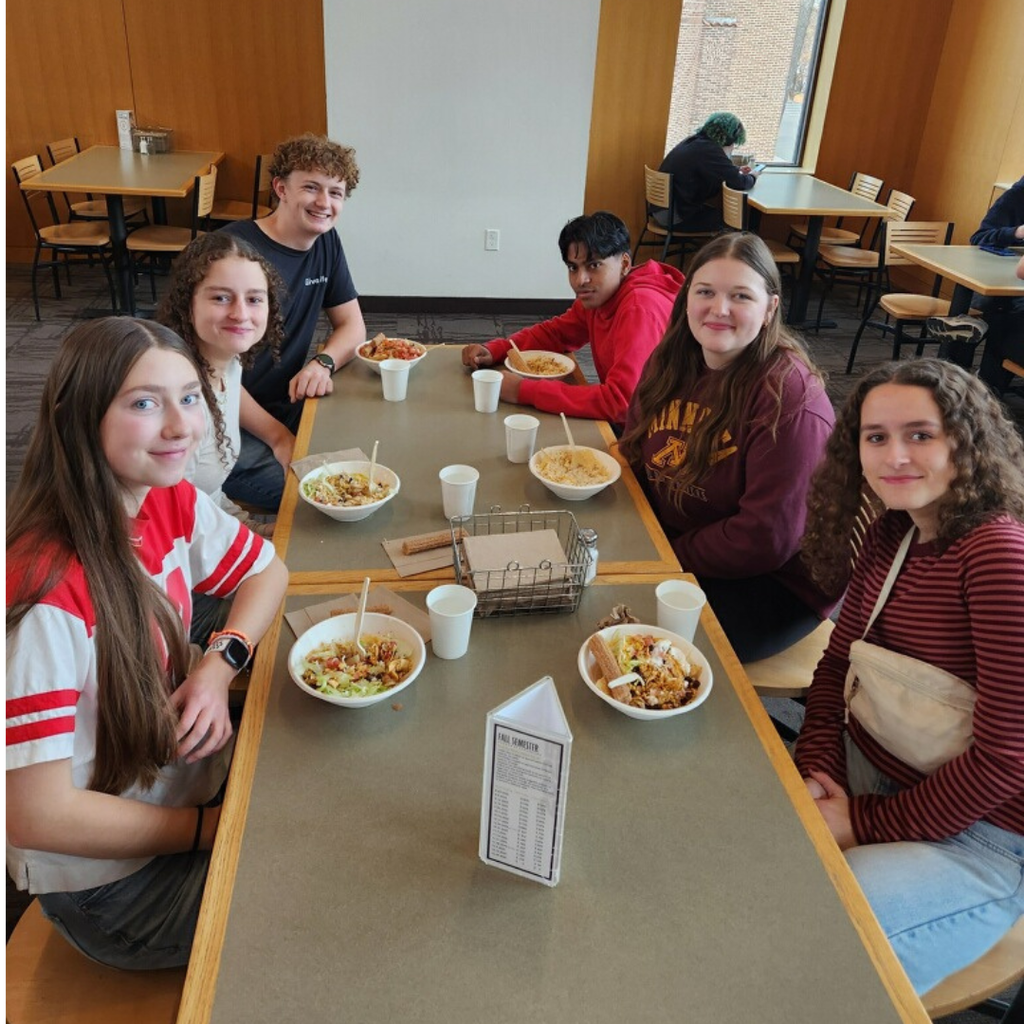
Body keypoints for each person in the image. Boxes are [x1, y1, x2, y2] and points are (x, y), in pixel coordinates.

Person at [6, 318, 289, 969]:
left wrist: (220, 666)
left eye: (189, 397)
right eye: (144, 403)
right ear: (80, 417)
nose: (181, 427)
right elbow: (36, 817)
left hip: (177, 781)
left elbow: (268, 571)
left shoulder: (162, 495)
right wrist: (206, 832)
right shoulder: (43, 593)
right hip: (114, 888)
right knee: (314, 899)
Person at [796, 358, 1024, 995]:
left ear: (964, 441)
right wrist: (821, 770)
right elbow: (838, 665)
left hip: (981, 834)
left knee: (817, 941)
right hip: (872, 769)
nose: (895, 455)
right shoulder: (894, 530)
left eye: (921, 434)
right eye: (876, 437)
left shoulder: (998, 554)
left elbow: (1007, 762)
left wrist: (859, 824)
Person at [619, 232, 836, 662]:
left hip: (771, 583)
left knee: (635, 646)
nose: (719, 309)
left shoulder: (788, 399)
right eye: (705, 292)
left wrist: (663, 557)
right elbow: (636, 449)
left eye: (740, 295)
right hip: (682, 543)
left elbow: (765, 539)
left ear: (770, 307)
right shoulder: (672, 358)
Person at [220, 133, 367, 510]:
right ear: (281, 188)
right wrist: (280, 437)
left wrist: (324, 361)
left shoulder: (326, 243)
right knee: (315, 499)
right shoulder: (233, 253)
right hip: (222, 416)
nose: (324, 203)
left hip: (283, 401)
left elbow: (353, 326)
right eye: (311, 188)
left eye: (336, 193)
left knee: (365, 467)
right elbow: (209, 373)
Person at [157, 232, 287, 642]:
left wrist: (279, 436)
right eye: (220, 298)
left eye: (254, 298)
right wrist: (251, 542)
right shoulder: (179, 401)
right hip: (177, 591)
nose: (241, 313)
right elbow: (169, 529)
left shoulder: (222, 358)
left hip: (215, 530)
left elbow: (232, 396)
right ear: (188, 302)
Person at [461, 212, 683, 427]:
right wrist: (496, 349)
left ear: (625, 264)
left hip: (662, 432)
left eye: (594, 265)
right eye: (572, 268)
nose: (580, 280)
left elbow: (622, 402)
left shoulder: (640, 308)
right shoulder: (600, 295)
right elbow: (557, 333)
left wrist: (523, 391)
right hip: (636, 420)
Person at [927, 175, 1024, 389]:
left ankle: (977, 384)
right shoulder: (1016, 197)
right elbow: (980, 237)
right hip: (1000, 289)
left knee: (1004, 324)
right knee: (1002, 312)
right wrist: (1016, 232)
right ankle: (983, 386)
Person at [658, 112, 760, 233]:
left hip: (662, 211)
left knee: (718, 213)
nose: (733, 147)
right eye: (734, 143)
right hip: (675, 217)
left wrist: (736, 169)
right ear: (729, 139)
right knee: (733, 221)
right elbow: (740, 182)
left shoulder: (694, 141)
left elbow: (711, 167)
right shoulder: (710, 150)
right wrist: (753, 175)